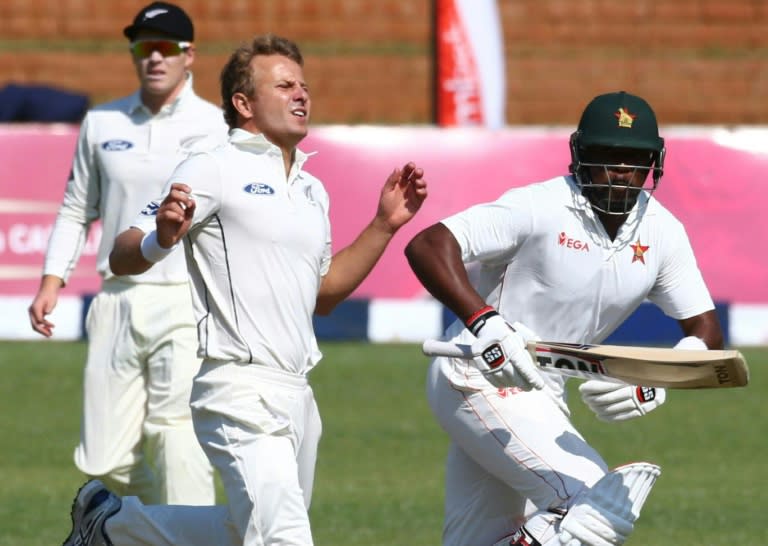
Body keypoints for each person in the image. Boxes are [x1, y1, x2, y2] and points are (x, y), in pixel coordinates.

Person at [61, 33, 428, 546]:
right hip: (237, 391)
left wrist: (385, 225)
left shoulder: (311, 188)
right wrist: (161, 237)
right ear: (243, 104)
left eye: (303, 84)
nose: (301, 94)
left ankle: (113, 528)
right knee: (284, 538)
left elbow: (323, 295)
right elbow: (125, 248)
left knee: (241, 531)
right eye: (284, 85)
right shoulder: (213, 165)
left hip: (298, 395)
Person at [404, 91, 723, 546]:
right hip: (477, 373)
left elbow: (706, 332)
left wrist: (654, 378)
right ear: (581, 156)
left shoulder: (664, 233)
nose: (622, 172)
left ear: (654, 163)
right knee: (595, 504)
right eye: (607, 157)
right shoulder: (539, 206)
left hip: (545, 393)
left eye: (635, 160)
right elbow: (430, 245)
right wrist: (488, 324)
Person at [28, 1, 227, 505]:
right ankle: (152, 526)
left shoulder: (217, 125)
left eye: (165, 48)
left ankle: (190, 537)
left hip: (187, 298)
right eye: (144, 47)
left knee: (176, 433)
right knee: (103, 458)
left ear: (190, 56)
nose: (154, 58)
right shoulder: (102, 123)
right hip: (116, 297)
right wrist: (53, 280)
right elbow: (78, 207)